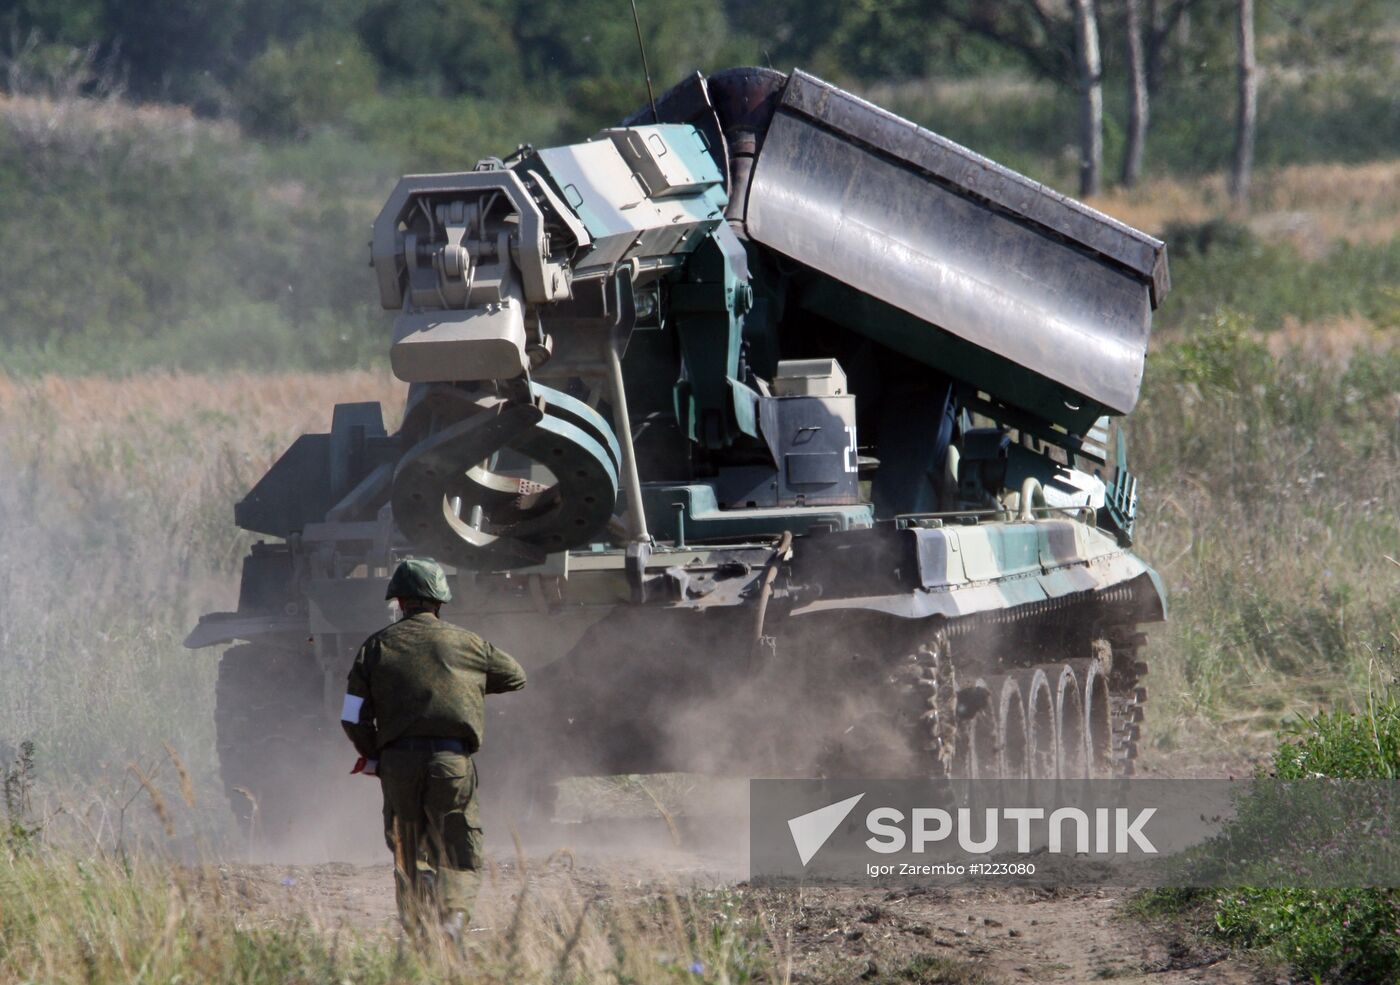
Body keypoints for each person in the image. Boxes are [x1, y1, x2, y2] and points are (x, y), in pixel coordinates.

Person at [340, 557, 527, 937]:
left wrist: (374, 754)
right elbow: (515, 676)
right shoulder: (468, 642)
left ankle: (419, 924)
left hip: (397, 763)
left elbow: (351, 715)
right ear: (440, 601)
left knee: (409, 849)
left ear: (399, 601)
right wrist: (464, 681)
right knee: (459, 848)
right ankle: (453, 920)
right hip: (451, 762)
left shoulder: (375, 646)